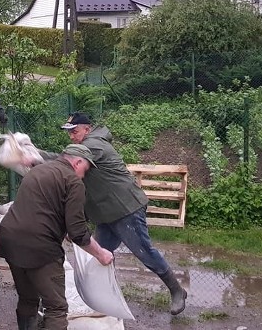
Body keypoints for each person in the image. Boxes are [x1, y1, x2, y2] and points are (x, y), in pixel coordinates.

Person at [50, 111, 188, 315]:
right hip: (107, 212)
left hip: (125, 209)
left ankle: (177, 290)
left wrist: (32, 154)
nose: (71, 136)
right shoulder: (87, 144)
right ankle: (105, 298)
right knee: (99, 255)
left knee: (144, 252)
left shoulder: (93, 145)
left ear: (87, 130)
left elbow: (65, 161)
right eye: (69, 132)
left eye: (74, 131)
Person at [0, 144, 115, 330]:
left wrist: (66, 229)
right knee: (56, 307)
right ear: (77, 162)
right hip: (40, 247)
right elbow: (78, 233)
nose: (85, 174)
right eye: (86, 168)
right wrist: (101, 254)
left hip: (10, 240)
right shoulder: (73, 182)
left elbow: (44, 208)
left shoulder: (38, 171)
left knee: (28, 299)